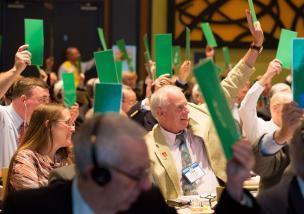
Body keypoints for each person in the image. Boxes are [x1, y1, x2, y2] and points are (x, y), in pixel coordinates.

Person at [3, 114, 260, 213]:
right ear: (97, 174)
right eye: (135, 174)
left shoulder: (147, 203)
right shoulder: (29, 209)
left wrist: (235, 186)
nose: (144, 183)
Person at [145, 9, 264, 200]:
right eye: (179, 108)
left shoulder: (200, 114)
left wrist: (256, 45)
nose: (187, 110)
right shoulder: (148, 147)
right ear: (160, 113)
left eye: (186, 104)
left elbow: (231, 84)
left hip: (217, 203)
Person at [5, 103, 74, 194]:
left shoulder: (66, 157)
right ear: (49, 125)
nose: (73, 129)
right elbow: (33, 201)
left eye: (72, 124)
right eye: (67, 123)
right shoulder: (25, 159)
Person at [0, 45, 50, 168]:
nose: (47, 105)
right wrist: (16, 70)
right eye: (42, 100)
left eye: (48, 100)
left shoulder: (36, 126)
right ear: (24, 99)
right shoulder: (3, 116)